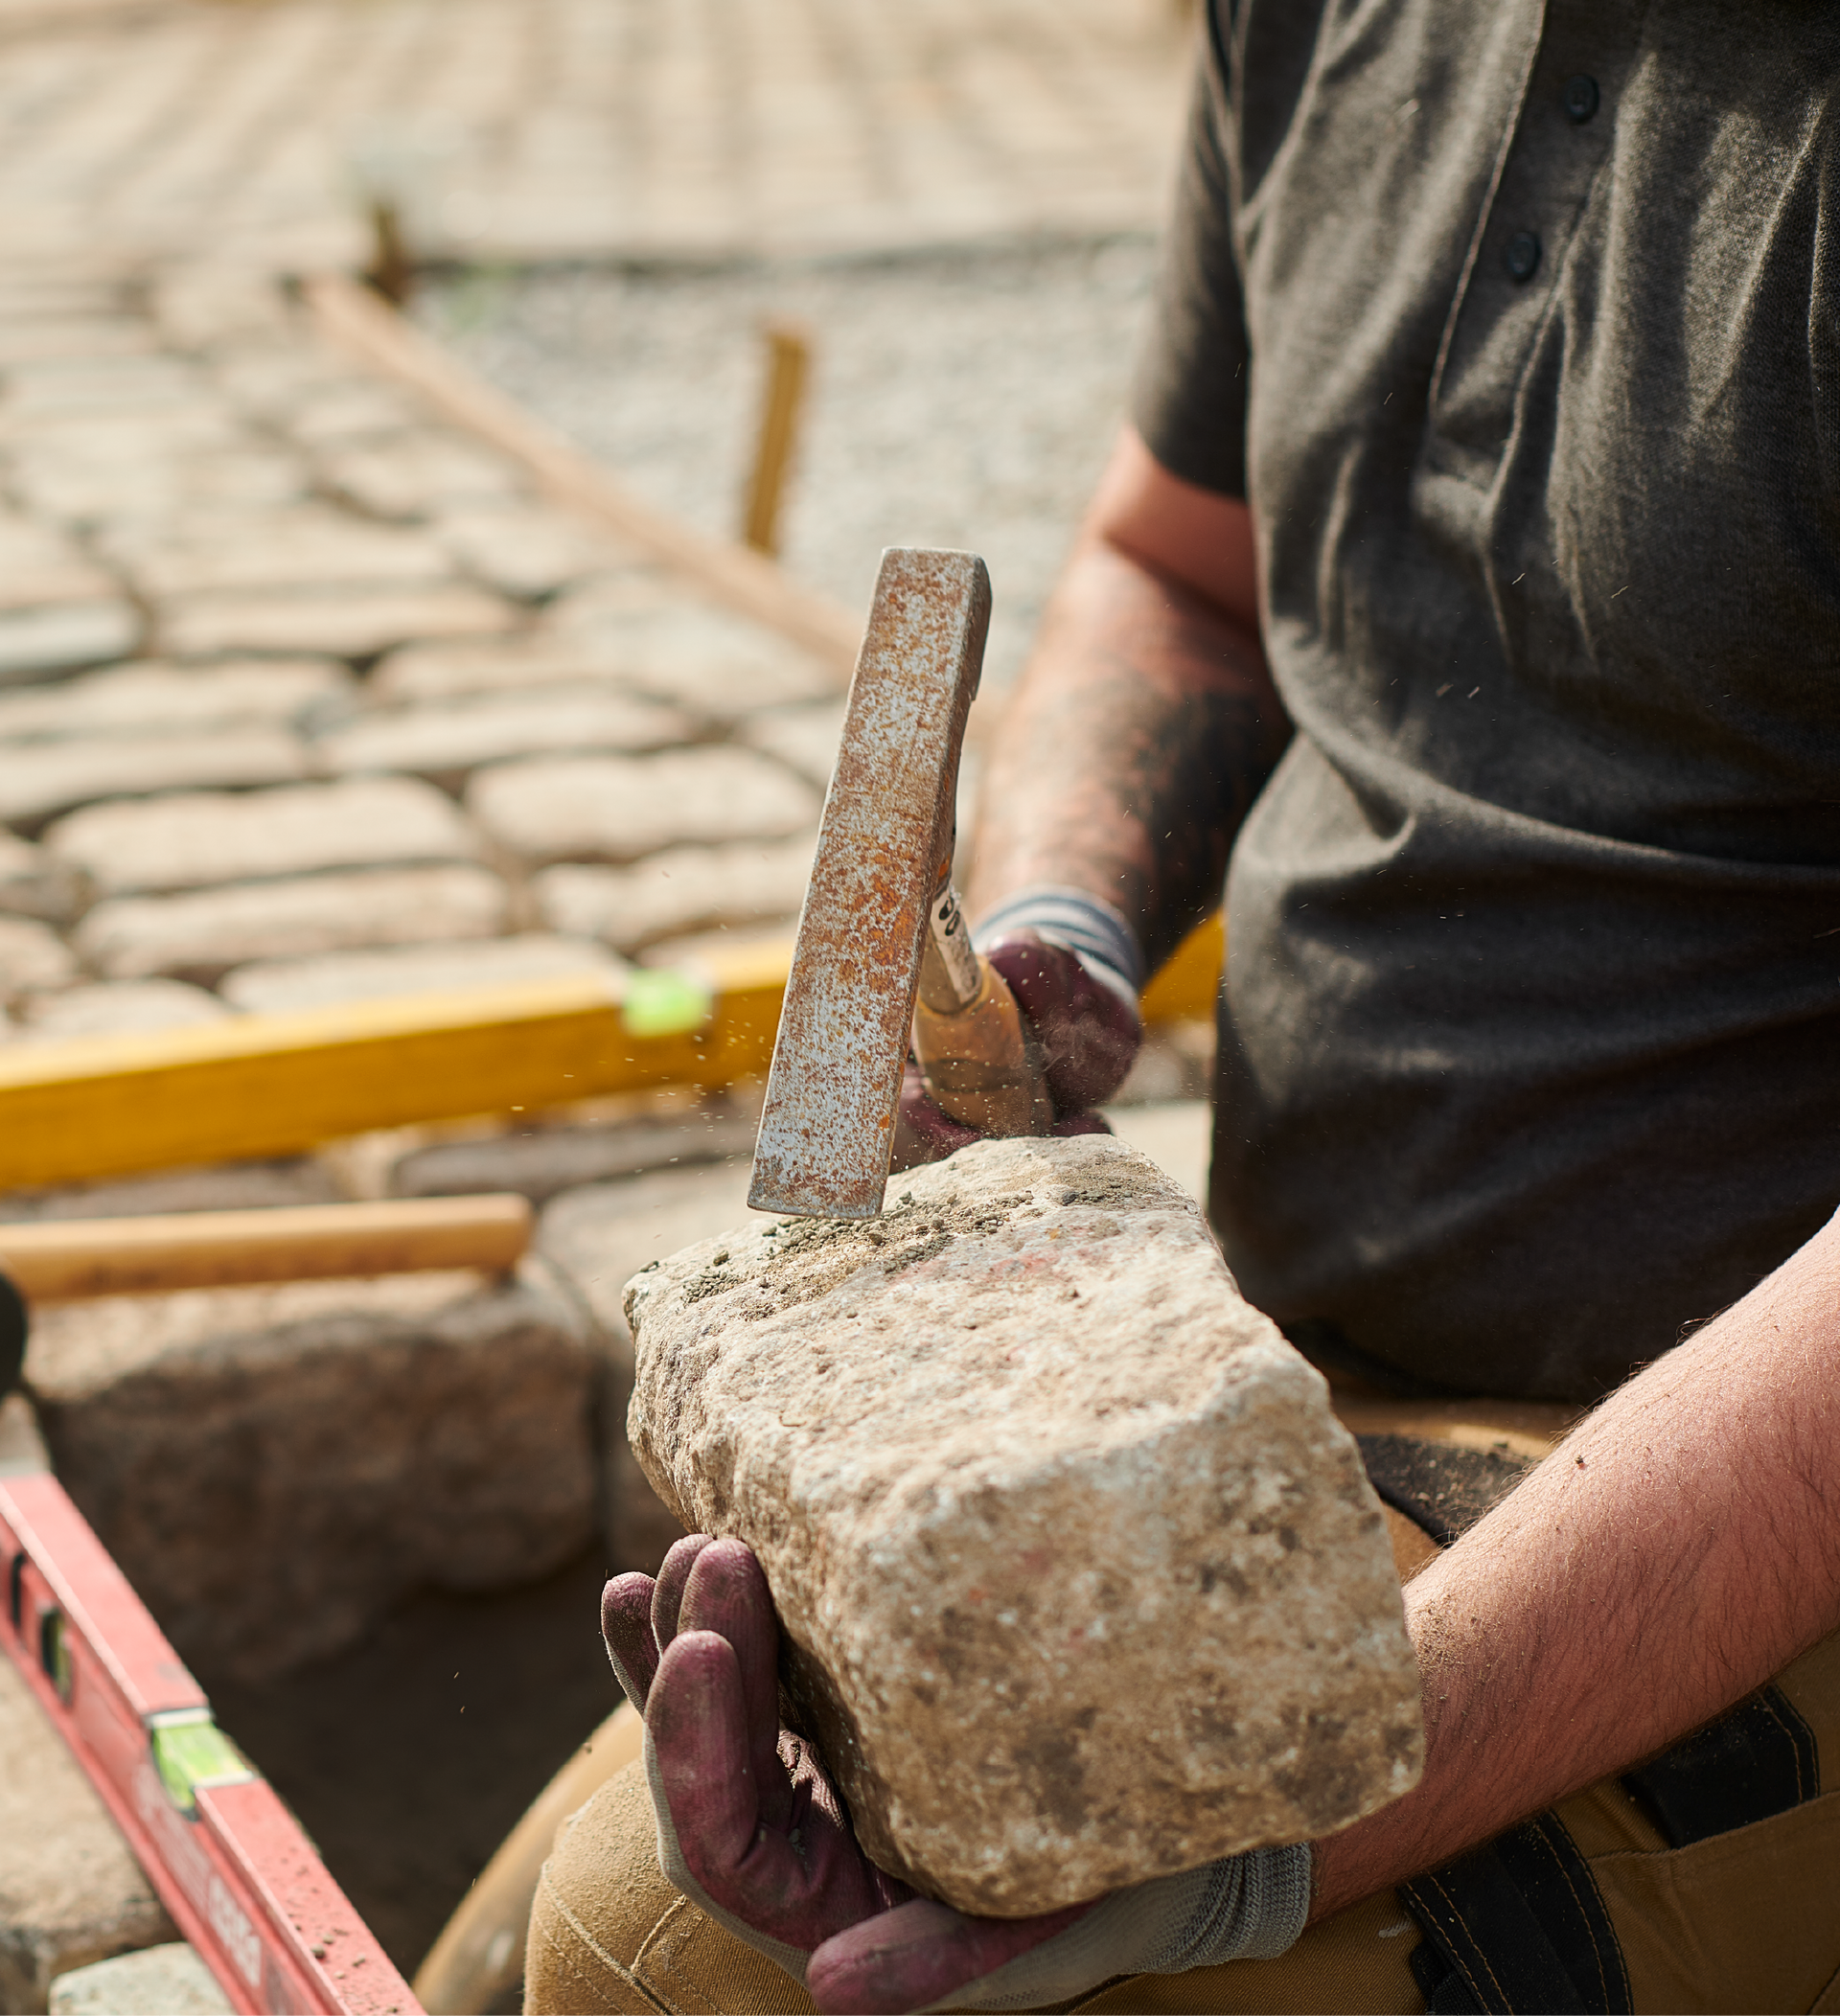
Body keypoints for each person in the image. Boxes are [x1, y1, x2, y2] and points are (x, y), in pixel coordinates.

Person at [527, 4, 1840, 2009]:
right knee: (515, 1926)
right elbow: (1180, 560)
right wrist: (1062, 917)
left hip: (1749, 1530)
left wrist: (1293, 1831)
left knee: (650, 1951)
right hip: (1304, 1366)